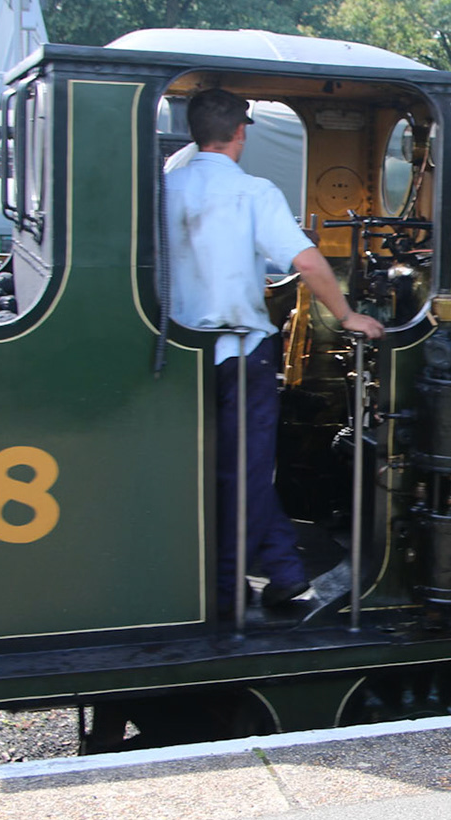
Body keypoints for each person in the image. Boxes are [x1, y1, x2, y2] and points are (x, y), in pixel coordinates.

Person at [164, 88, 386, 618]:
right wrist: (349, 315)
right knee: (248, 475)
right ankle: (229, 587)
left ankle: (283, 572)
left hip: (181, 356)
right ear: (240, 133)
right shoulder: (252, 192)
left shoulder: (165, 188)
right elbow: (307, 263)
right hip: (242, 354)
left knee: (219, 472)